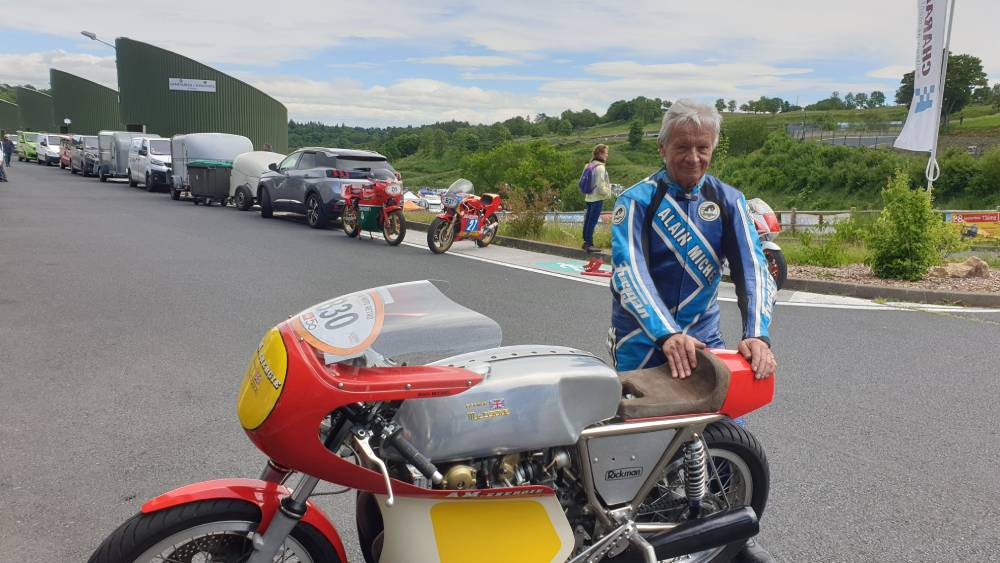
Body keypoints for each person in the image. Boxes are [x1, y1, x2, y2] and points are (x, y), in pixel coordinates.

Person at [608, 99, 776, 562]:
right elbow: (629, 273)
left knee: (723, 434)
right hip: (642, 342)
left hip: (704, 340)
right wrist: (665, 333)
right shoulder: (636, 201)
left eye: (703, 148)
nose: (694, 157)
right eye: (683, 146)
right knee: (637, 449)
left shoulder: (728, 200)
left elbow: (755, 270)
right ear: (663, 148)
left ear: (714, 148)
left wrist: (758, 334)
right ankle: (624, 536)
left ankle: (722, 530)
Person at [581, 144, 612, 253]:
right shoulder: (600, 168)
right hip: (597, 198)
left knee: (588, 221)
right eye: (606, 153)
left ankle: (586, 242)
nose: (607, 155)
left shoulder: (588, 165)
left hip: (588, 197)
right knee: (592, 221)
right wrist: (608, 193)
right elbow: (600, 186)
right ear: (600, 154)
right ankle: (589, 244)